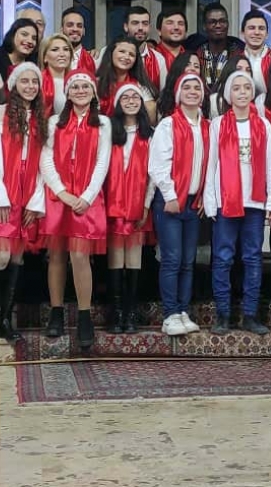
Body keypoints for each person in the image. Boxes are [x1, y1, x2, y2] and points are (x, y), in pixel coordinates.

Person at [0, 63, 48, 342]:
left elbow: (43, 162)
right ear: (14, 84)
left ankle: (5, 320)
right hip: (3, 190)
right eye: (24, 81)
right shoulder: (0, 112)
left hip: (28, 193)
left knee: (17, 257)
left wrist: (36, 200)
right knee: (1, 256)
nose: (30, 86)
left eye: (34, 81)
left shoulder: (41, 117)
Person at [204, 70, 271, 335]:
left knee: (252, 258)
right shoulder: (218, 124)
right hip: (226, 201)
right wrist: (211, 200)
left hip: (255, 203)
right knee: (223, 258)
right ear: (229, 94)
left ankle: (250, 314)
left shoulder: (263, 125)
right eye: (236, 88)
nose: (241, 92)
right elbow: (211, 164)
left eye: (246, 88)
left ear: (252, 93)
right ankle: (223, 314)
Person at [41, 70, 111, 350]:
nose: (80, 91)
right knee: (57, 255)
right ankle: (56, 311)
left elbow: (102, 162)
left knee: (80, 256)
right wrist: (62, 193)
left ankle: (84, 316)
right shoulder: (54, 123)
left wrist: (86, 196)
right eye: (75, 87)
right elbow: (46, 159)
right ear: (67, 93)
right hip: (59, 195)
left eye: (85, 86)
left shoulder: (103, 123)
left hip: (86, 196)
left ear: (93, 92)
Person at [150, 73, 209, 337]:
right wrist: (170, 195)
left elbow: (210, 165)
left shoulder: (207, 126)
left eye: (197, 87)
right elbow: (158, 165)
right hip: (171, 201)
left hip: (194, 202)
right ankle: (170, 313)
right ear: (178, 94)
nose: (193, 91)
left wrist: (205, 196)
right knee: (172, 259)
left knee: (188, 260)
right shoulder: (168, 124)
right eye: (187, 87)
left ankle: (183, 310)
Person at [104, 84, 154, 334]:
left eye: (136, 97)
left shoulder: (150, 134)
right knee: (116, 257)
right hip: (113, 202)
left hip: (138, 201)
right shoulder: (108, 132)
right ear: (117, 103)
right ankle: (115, 311)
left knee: (134, 257)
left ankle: (130, 310)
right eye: (126, 97)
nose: (131, 101)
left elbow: (153, 174)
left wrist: (146, 204)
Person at [95, 37, 158, 121]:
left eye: (131, 54)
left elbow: (151, 114)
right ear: (111, 53)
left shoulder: (139, 86)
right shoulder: (95, 83)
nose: (126, 57)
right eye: (122, 52)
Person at [194, 3, 243, 91]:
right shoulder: (196, 55)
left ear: (228, 24)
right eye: (212, 22)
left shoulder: (239, 54)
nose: (218, 25)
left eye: (222, 21)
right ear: (204, 26)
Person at [240, 9, 271, 94]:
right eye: (251, 28)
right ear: (242, 33)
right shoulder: (236, 60)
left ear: (267, 34)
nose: (257, 32)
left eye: (261, 28)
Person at [157, 51, 203, 118]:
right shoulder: (165, 98)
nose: (192, 69)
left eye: (196, 66)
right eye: (187, 65)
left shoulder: (205, 97)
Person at [39, 34, 73, 117]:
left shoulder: (77, 80)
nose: (62, 54)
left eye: (66, 49)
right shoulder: (37, 82)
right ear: (44, 57)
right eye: (55, 50)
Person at [209, 55, 252, 120]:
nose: (244, 73)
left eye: (248, 70)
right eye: (239, 69)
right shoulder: (214, 101)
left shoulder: (255, 100)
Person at [59, 7, 97, 73]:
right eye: (70, 25)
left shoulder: (93, 60)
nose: (75, 29)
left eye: (79, 26)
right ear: (61, 30)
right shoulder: (53, 59)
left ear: (84, 31)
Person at [152, 7, 188, 72]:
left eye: (180, 24)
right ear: (159, 31)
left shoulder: (192, 59)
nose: (176, 27)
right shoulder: (151, 58)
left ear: (185, 31)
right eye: (170, 23)